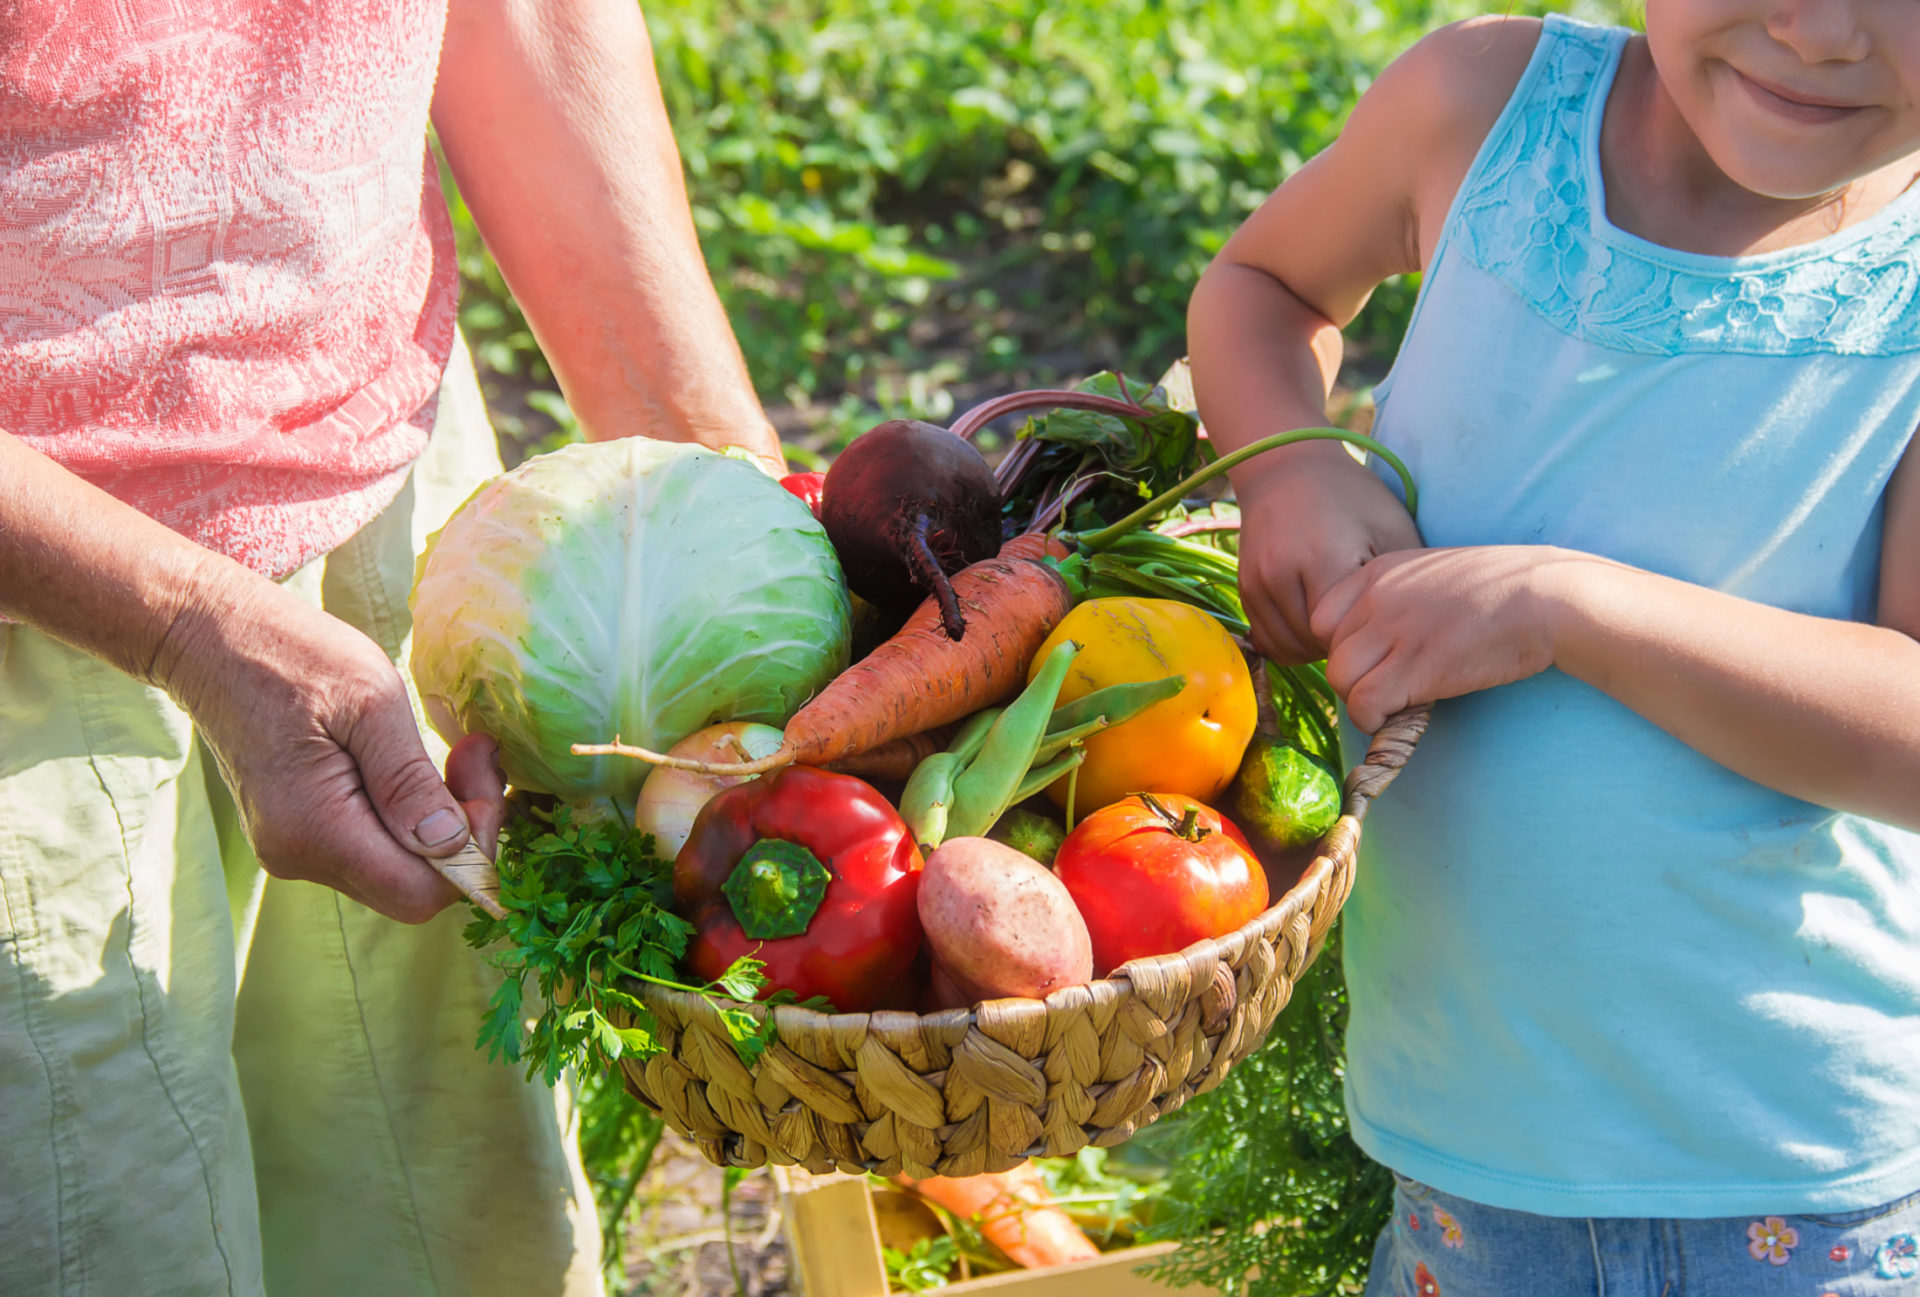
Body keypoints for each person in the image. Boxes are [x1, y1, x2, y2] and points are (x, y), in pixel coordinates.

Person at [0, 2, 783, 1294]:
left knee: (449, 1239)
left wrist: (734, 500)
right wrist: (190, 627)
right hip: (37, 620)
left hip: (401, 504)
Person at [1189, 2, 1920, 1293]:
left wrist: (1571, 610)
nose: (1819, 32)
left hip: (1796, 1176)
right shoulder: (1481, 108)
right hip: (1467, 1142)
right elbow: (1265, 286)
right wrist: (1289, 461)